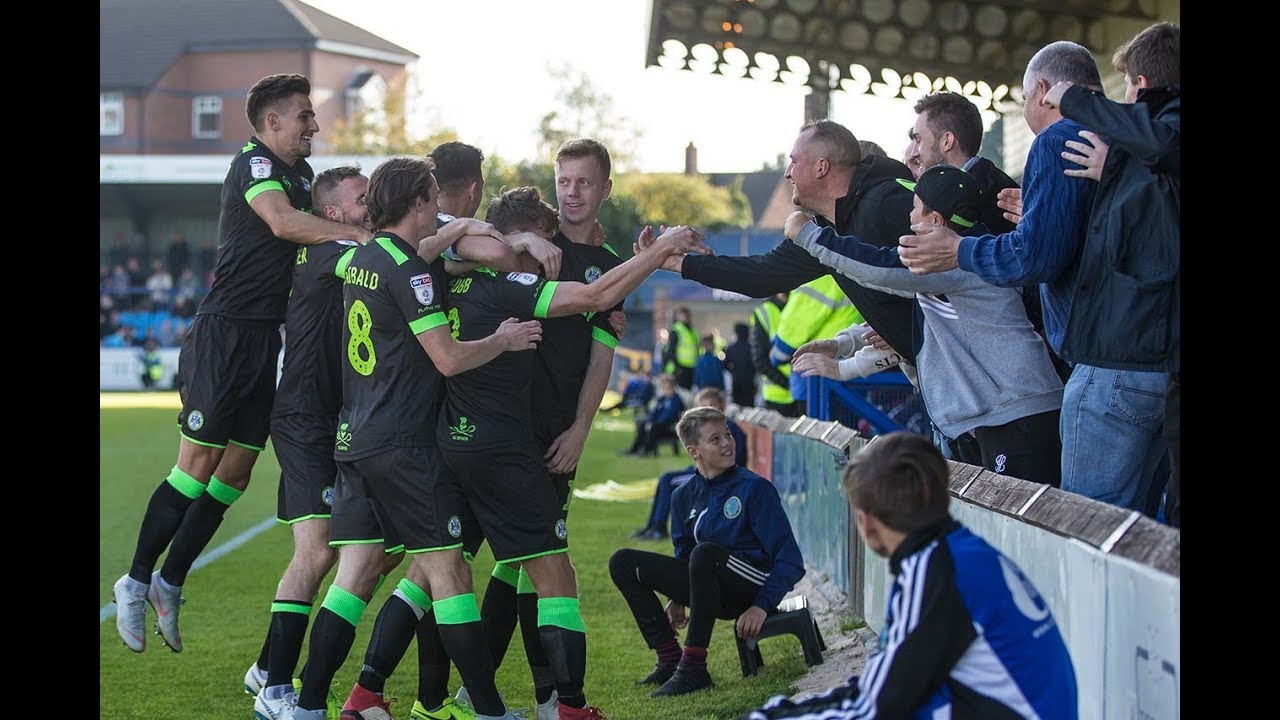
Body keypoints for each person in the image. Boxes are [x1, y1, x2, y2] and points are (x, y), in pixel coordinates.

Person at [400, 186, 704, 720]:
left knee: (437, 575)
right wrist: (654, 256)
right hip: (505, 448)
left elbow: (436, 242)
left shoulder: (442, 270)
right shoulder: (509, 285)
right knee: (551, 575)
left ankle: (386, 695)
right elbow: (589, 298)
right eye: (545, 247)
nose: (550, 258)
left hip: (452, 441)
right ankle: (565, 705)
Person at [111, 73, 375, 656]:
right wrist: (356, 234)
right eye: (305, 115)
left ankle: (170, 580)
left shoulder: (304, 174)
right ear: (274, 121)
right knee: (197, 465)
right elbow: (283, 223)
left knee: (234, 474)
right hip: (223, 334)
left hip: (263, 340)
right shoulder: (252, 165)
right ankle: (133, 579)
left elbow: (313, 225)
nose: (314, 123)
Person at [284, 156, 542, 720]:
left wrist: (464, 229)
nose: (440, 207)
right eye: (433, 199)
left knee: (353, 576)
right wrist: (503, 338)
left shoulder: (366, 258)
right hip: (405, 444)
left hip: (355, 440)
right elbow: (447, 359)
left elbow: (414, 255)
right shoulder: (412, 272)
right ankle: (491, 712)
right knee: (451, 574)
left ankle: (306, 707)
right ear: (418, 204)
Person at [897, 41, 1169, 515]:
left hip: (1106, 365)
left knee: (1088, 525)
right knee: (1145, 531)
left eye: (1024, 99)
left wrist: (958, 249)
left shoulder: (1057, 136)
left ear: (1042, 90)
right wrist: (1037, 219)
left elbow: (1035, 260)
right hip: (1161, 363)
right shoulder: (1131, 147)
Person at [742, 431, 1077, 719]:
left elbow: (874, 710)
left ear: (867, 522)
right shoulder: (961, 552)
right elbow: (882, 683)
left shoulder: (936, 570)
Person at [786, 165, 1065, 487]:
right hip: (995, 418)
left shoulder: (956, 261)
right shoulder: (955, 262)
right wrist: (846, 344)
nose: (909, 217)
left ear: (935, 220)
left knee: (1020, 535)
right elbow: (922, 328)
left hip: (1018, 417)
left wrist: (807, 235)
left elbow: (879, 269)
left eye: (915, 208)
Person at [244, 165, 386, 719]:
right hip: (304, 419)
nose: (369, 205)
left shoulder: (344, 242)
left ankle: (265, 665)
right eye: (361, 199)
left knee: (370, 552)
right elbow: (397, 258)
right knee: (320, 549)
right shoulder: (333, 252)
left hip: (339, 419)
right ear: (333, 213)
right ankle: (277, 689)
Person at [1042, 21, 1180, 525]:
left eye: (1125, 88)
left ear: (1140, 85)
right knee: (1138, 534)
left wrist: (1078, 104)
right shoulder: (1147, 159)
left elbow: (1150, 239)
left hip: (1122, 359)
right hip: (1149, 363)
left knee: (1088, 528)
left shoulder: (1159, 138)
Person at [648, 120, 918, 370]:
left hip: (956, 369)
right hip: (930, 377)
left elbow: (935, 278)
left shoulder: (888, 202)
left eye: (793, 161)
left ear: (821, 167)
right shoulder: (823, 233)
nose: (787, 173)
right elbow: (761, 275)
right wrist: (680, 263)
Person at [609, 405, 804, 698]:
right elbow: (684, 551)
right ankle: (670, 659)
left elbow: (790, 560)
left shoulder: (755, 489)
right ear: (693, 451)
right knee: (623, 562)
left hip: (750, 586)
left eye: (727, 435)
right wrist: (676, 596)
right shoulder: (683, 495)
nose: (727, 443)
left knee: (706, 554)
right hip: (710, 584)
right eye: (715, 439)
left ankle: (694, 667)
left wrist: (761, 605)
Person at [906, 90, 1069, 385]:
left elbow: (1025, 271)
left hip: (1019, 374)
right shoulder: (972, 189)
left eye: (918, 138)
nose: (912, 151)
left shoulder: (993, 195)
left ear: (947, 141)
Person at [630, 387, 748, 541]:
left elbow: (732, 461)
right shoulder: (706, 429)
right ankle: (652, 525)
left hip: (719, 477)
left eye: (712, 405)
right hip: (707, 471)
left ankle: (659, 527)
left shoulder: (728, 428)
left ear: (722, 406)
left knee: (668, 480)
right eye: (703, 407)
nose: (708, 410)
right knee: (666, 479)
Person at [769, 275, 861, 412]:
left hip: (817, 382)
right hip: (854, 372)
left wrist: (775, 356)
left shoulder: (818, 279)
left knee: (818, 429)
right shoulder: (851, 273)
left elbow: (793, 331)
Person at [749, 293, 797, 416]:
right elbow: (760, 360)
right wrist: (788, 384)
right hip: (778, 397)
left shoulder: (800, 302)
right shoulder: (764, 311)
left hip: (804, 393)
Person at [624, 374, 686, 457]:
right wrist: (650, 421)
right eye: (663, 388)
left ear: (673, 387)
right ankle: (634, 449)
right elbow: (654, 412)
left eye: (668, 388)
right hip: (658, 424)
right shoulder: (662, 399)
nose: (665, 391)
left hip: (668, 426)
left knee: (654, 428)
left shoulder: (676, 400)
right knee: (643, 425)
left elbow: (670, 415)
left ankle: (646, 450)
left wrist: (654, 423)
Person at [722, 322, 756, 408]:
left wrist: (733, 371)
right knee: (749, 406)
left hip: (736, 380)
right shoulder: (752, 348)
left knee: (738, 406)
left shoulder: (731, 348)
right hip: (749, 380)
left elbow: (725, 364)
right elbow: (756, 364)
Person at [663, 306, 698, 389]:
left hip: (690, 366)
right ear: (678, 317)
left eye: (687, 315)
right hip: (680, 367)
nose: (685, 318)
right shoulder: (676, 330)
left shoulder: (692, 331)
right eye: (683, 315)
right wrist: (677, 366)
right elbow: (671, 350)